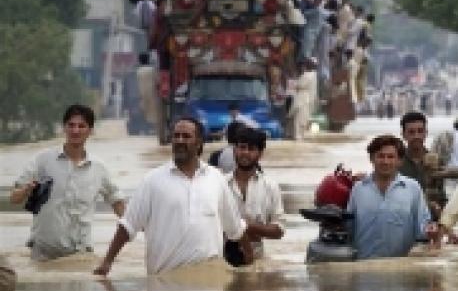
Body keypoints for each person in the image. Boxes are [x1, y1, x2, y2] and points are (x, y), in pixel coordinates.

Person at [93, 118, 249, 276]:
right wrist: (107, 262)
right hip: (165, 282)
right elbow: (128, 226)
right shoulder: (153, 181)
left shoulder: (216, 178)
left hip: (209, 284)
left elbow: (235, 228)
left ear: (199, 142)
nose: (180, 140)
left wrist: (252, 263)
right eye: (176, 136)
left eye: (186, 136)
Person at [10, 105, 125, 261]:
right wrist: (26, 191)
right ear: (64, 128)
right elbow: (14, 198)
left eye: (81, 126)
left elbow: (117, 202)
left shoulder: (99, 168)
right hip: (43, 255)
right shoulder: (43, 161)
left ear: (90, 131)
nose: (75, 130)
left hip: (80, 257)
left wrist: (135, 229)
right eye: (71, 125)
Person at [346, 135, 439, 259]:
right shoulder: (358, 189)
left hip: (401, 269)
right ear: (372, 159)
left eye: (390, 157)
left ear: (399, 161)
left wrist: (432, 230)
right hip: (364, 268)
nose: (385, 161)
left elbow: (422, 228)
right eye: (380, 156)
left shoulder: (412, 188)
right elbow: (348, 229)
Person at [226, 127, 285, 263]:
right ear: (235, 150)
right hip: (222, 259)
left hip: (256, 261)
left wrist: (249, 227)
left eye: (251, 148)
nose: (245, 153)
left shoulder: (270, 186)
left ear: (260, 153)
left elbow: (279, 230)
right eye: (242, 147)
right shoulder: (221, 184)